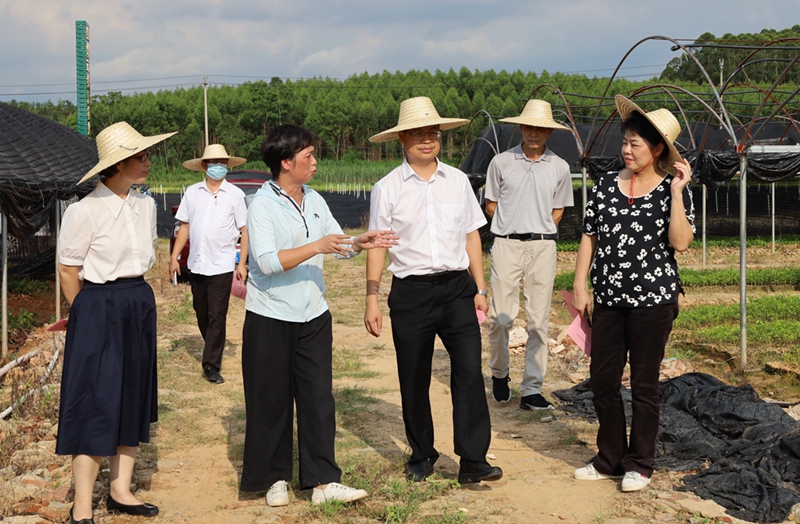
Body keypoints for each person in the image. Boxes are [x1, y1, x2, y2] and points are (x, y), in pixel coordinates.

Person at [241, 123, 397, 506]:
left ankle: (323, 482)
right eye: (308, 156)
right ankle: (275, 478)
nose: (315, 162)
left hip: (313, 314)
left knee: (317, 399)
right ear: (285, 162)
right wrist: (317, 246)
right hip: (270, 316)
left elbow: (337, 243)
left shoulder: (314, 199)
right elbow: (266, 261)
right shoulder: (261, 205)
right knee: (271, 399)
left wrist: (360, 243)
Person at [364, 96, 503, 485]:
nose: (427, 140)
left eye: (433, 133)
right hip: (411, 293)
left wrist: (479, 287)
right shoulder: (387, 188)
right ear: (402, 139)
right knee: (413, 376)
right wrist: (372, 296)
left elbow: (471, 235)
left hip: (457, 289)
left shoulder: (458, 181)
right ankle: (422, 453)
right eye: (418, 134)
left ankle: (473, 458)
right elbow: (377, 245)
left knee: (468, 372)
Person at [571, 95, 695, 492]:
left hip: (653, 303)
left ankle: (639, 463)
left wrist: (677, 193)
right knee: (603, 381)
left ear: (657, 148)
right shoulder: (607, 185)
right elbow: (590, 235)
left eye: (635, 144)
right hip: (607, 299)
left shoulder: (671, 190)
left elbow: (680, 243)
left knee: (644, 385)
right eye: (624, 142)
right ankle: (609, 458)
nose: (626, 150)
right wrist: (579, 284)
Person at [57, 122, 176, 523]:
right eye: (140, 157)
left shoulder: (145, 205)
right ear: (118, 164)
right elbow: (68, 270)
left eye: (145, 155)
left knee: (131, 392)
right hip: (97, 304)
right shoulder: (84, 210)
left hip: (138, 300)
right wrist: (86, 315)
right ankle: (83, 505)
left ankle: (121, 490)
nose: (147, 162)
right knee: (94, 400)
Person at [485, 99, 574, 409]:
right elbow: (491, 204)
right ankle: (499, 373)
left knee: (538, 321)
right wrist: (513, 225)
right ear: (520, 127)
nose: (533, 132)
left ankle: (532, 389)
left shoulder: (560, 167)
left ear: (548, 131)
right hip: (506, 244)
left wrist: (539, 229)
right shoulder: (501, 162)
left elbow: (559, 209)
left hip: (543, 247)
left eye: (540, 128)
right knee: (500, 317)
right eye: (528, 126)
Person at [169, 144, 249, 384]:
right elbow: (184, 226)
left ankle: (211, 364)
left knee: (217, 314)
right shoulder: (192, 193)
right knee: (201, 311)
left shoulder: (235, 195)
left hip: (222, 265)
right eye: (213, 163)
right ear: (204, 166)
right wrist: (174, 257)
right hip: (197, 264)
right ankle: (212, 345)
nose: (218, 167)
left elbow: (245, 231)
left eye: (222, 163)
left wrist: (242, 263)